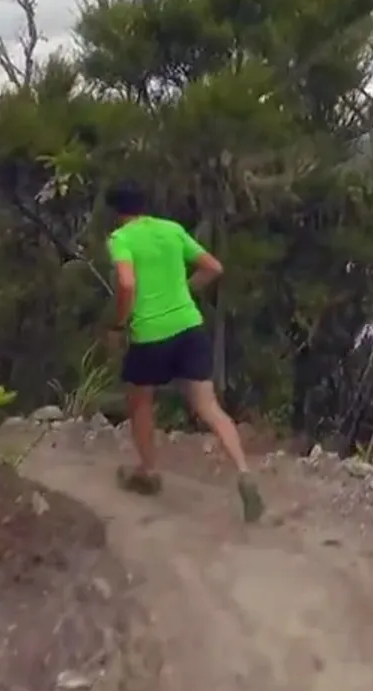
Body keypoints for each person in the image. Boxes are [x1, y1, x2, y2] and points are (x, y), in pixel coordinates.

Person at [102, 181, 262, 522]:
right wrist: (185, 291)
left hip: (150, 335)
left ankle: (147, 472)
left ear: (116, 214)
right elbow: (213, 267)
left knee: (141, 402)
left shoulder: (121, 239)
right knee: (209, 406)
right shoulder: (172, 230)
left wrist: (117, 324)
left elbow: (127, 284)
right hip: (189, 327)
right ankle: (245, 472)